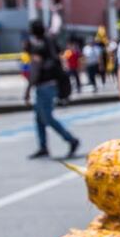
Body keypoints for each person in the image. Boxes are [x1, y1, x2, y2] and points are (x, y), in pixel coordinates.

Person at [23, 20, 80, 159]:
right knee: (38, 118)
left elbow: (35, 70)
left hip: (44, 86)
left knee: (47, 118)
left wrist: (28, 89)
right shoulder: (51, 42)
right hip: (54, 83)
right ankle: (43, 147)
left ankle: (71, 140)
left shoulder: (38, 47)